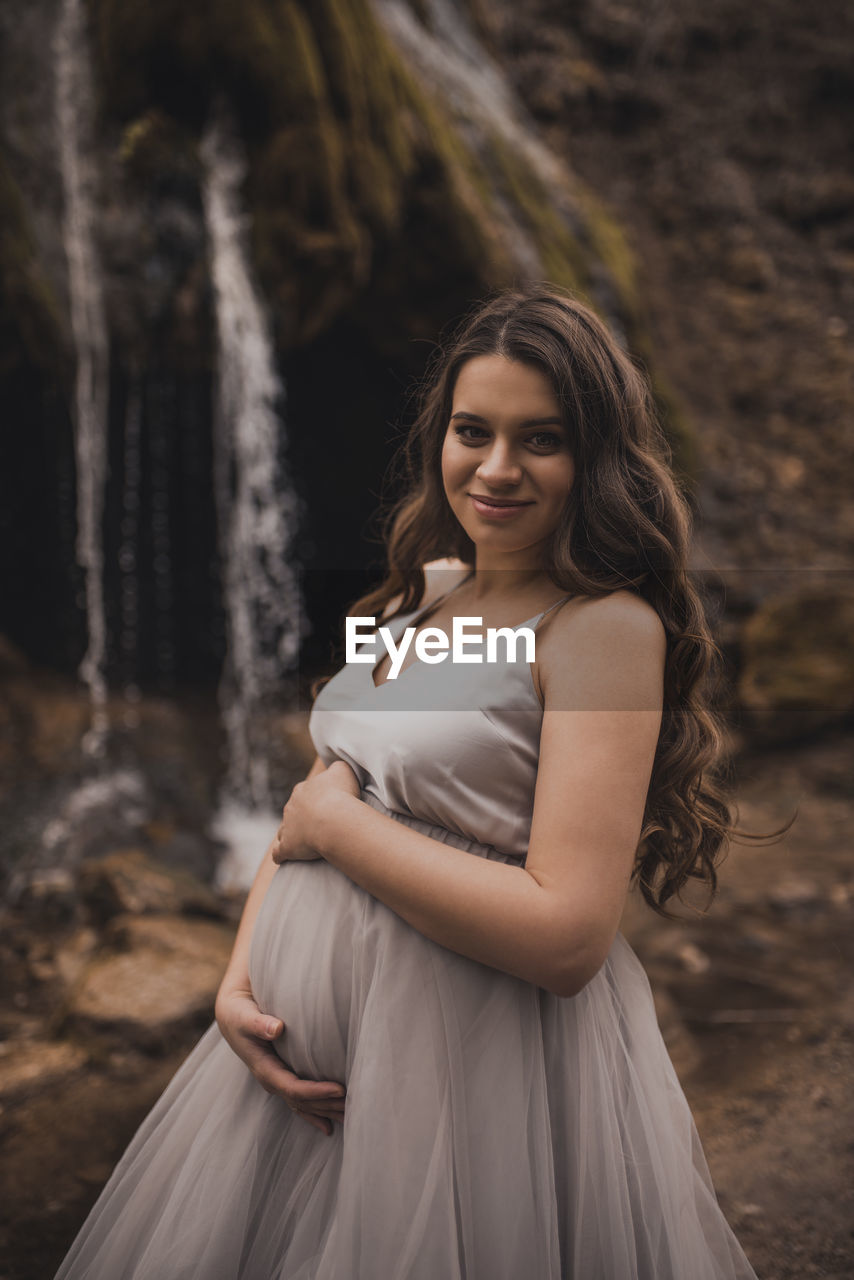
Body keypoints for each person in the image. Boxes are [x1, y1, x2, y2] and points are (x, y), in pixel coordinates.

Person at [54, 285, 774, 1279]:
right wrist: (237, 980)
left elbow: (565, 933)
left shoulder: (599, 628)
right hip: (307, 1073)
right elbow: (316, 797)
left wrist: (342, 834)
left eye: (541, 439)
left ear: (595, 457)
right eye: (471, 431)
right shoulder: (425, 593)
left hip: (472, 1075)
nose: (496, 468)